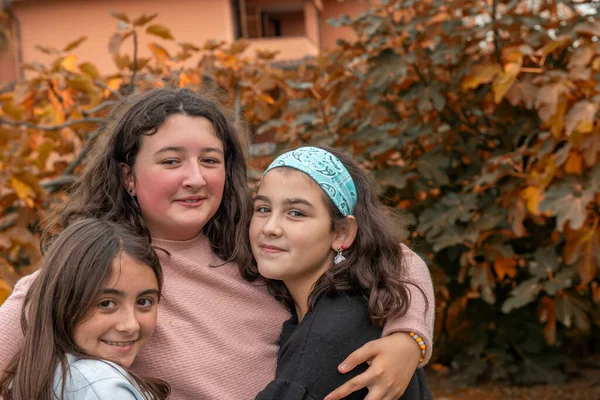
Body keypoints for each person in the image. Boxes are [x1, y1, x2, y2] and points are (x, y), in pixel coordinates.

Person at [0, 88, 434, 399]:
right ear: (128, 176)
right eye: (171, 161)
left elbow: (393, 255)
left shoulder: (256, 236)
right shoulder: (98, 269)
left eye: (210, 160)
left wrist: (408, 340)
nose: (196, 178)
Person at [251, 147, 432, 400]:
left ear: (341, 233)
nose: (270, 227)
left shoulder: (327, 342)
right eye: (262, 209)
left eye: (296, 213)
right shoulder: (363, 303)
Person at [0, 218, 169, 399]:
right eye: (106, 303)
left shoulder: (35, 378)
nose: (131, 325)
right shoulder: (103, 388)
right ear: (62, 304)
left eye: (143, 302)